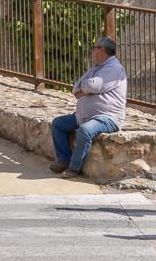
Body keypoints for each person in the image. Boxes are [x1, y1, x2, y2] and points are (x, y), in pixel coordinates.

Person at [49, 38, 127, 178]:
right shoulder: (97, 67)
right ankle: (63, 160)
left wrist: (86, 89)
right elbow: (76, 87)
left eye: (94, 48)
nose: (92, 51)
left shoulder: (114, 68)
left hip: (107, 117)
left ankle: (74, 168)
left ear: (102, 50)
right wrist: (86, 89)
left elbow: (94, 85)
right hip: (84, 116)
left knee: (85, 131)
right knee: (57, 124)